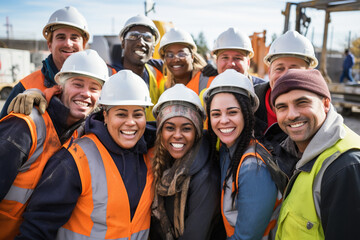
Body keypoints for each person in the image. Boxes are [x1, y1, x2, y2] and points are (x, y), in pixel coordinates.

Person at [15, 70, 157, 239]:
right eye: (121, 114)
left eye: (138, 114)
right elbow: (37, 229)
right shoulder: (75, 160)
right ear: (105, 115)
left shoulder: (150, 153)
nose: (131, 122)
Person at [0, 49, 108, 239]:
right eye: (78, 84)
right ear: (61, 86)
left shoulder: (79, 133)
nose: (85, 94)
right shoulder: (24, 126)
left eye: (94, 88)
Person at [271, 68, 360, 239]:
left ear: (326, 104)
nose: (292, 115)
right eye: (282, 107)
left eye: (302, 103)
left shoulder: (346, 167)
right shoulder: (295, 152)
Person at [203, 69, 282, 240]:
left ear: (247, 114)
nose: (223, 120)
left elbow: (246, 237)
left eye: (232, 112)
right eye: (216, 114)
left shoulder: (253, 168)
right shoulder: (227, 149)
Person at [150, 84, 224, 240]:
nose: (177, 135)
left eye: (186, 128)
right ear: (160, 131)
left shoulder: (206, 177)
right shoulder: (164, 161)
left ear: (197, 132)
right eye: (170, 128)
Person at [0, 6, 89, 118]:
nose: (68, 43)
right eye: (61, 37)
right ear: (50, 45)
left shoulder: (97, 85)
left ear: (83, 45)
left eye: (74, 38)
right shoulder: (24, 87)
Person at [254, 30, 318, 149]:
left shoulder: (320, 112)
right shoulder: (251, 101)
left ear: (309, 74)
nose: (285, 76)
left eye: (294, 69)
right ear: (270, 72)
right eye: (279, 68)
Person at [111, 14, 165, 121]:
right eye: (133, 36)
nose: (141, 42)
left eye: (148, 38)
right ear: (123, 43)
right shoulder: (109, 75)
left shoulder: (158, 74)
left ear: (153, 48)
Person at [158, 28, 215, 95]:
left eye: (181, 54)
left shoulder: (208, 80)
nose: (176, 59)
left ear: (192, 57)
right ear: (164, 59)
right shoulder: (164, 86)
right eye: (170, 55)